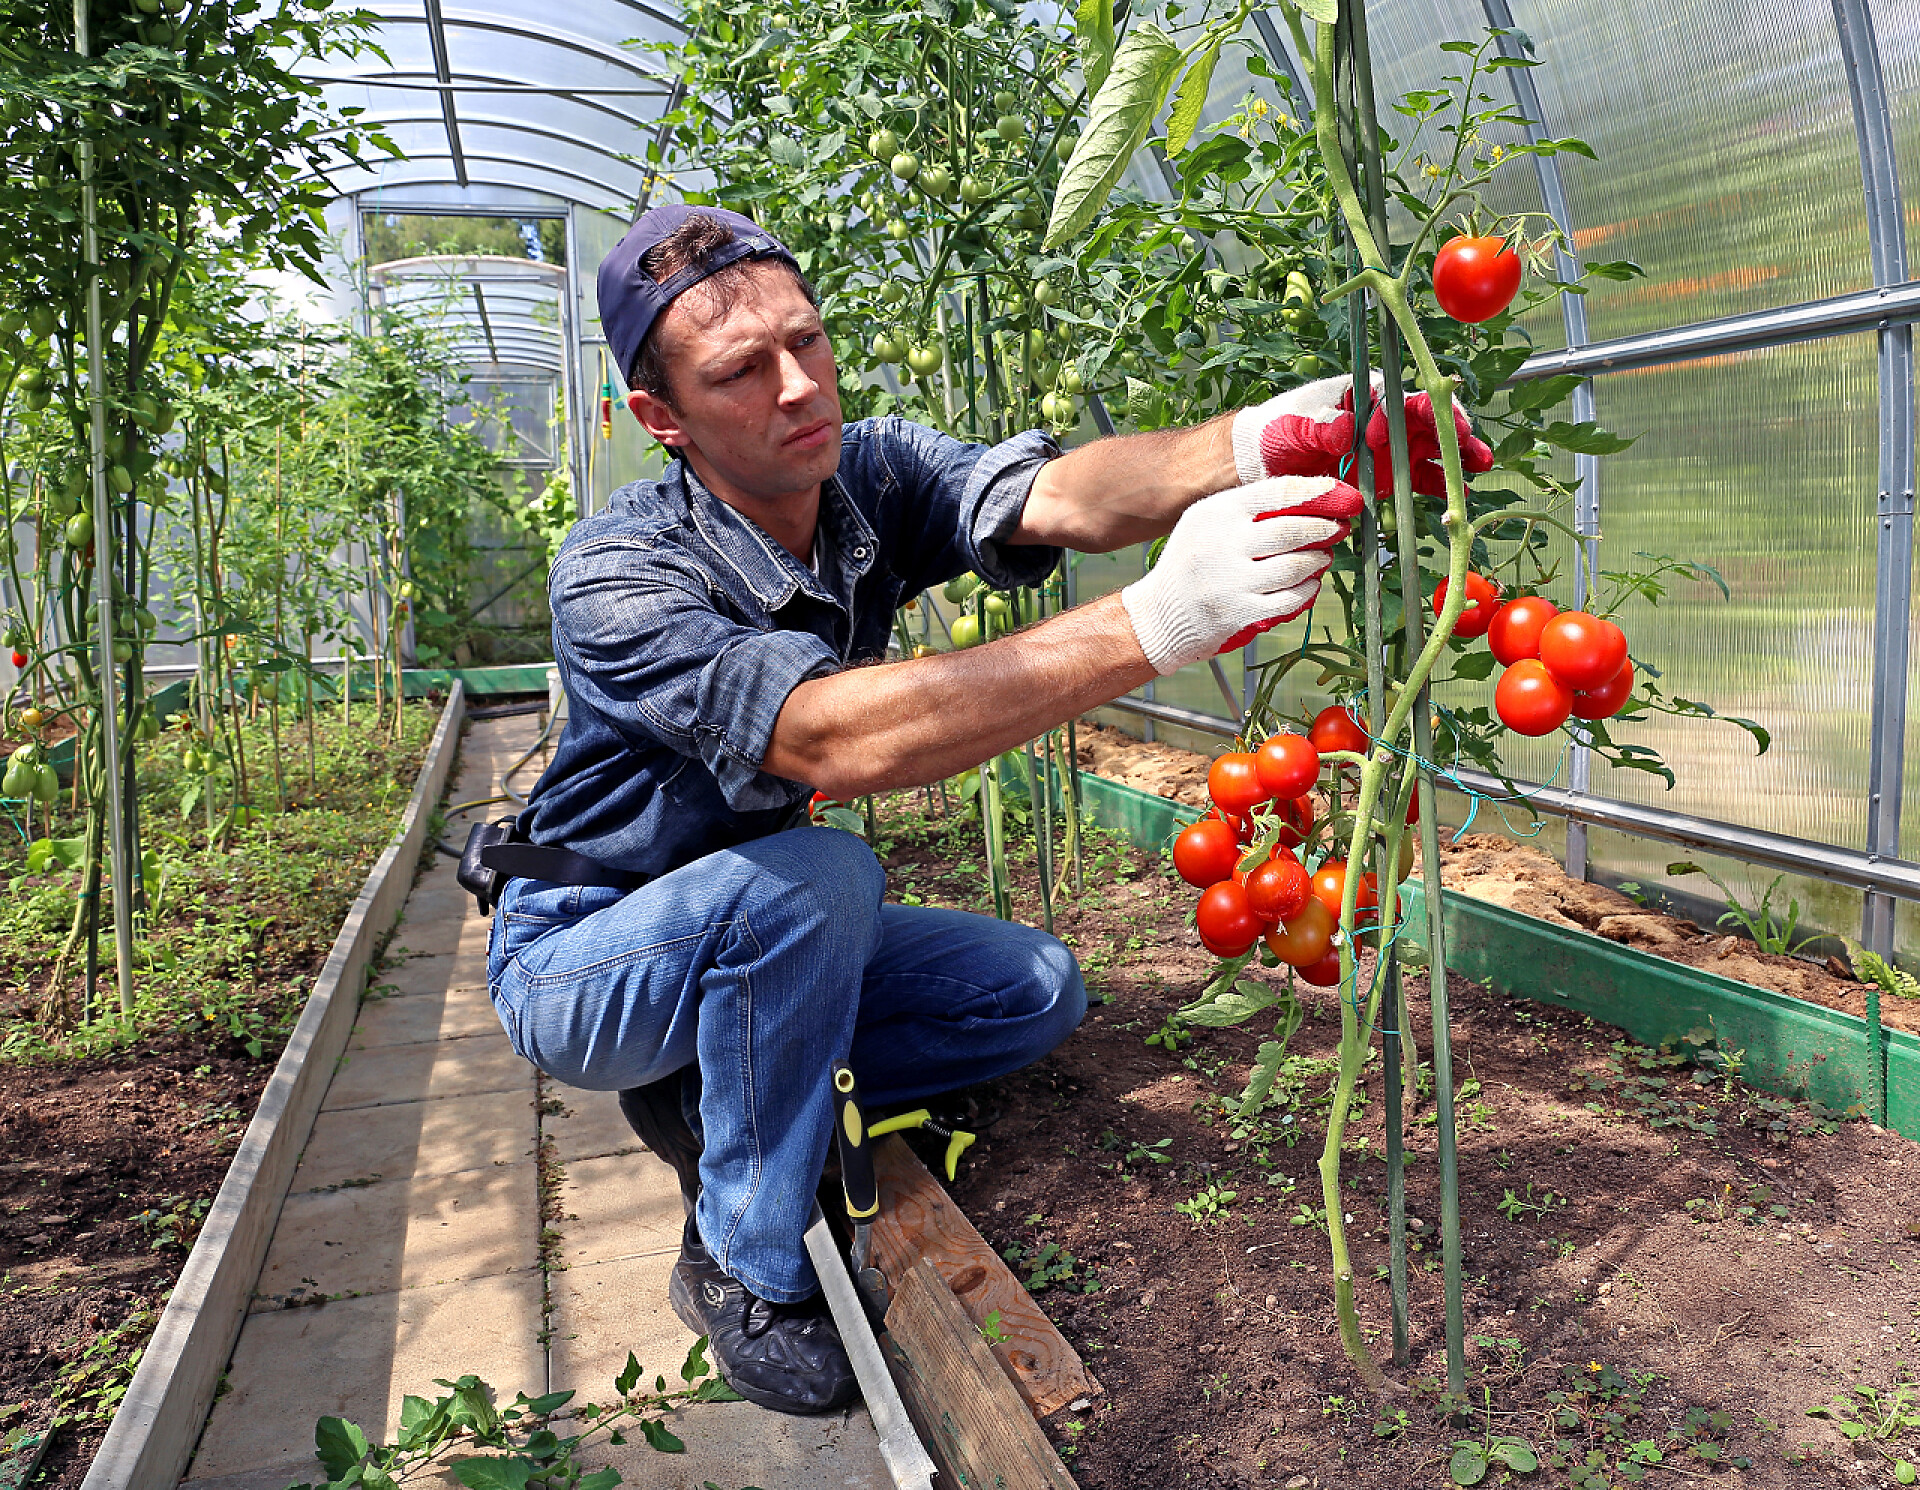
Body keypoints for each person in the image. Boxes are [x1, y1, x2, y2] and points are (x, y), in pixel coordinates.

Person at [483, 204, 1487, 1415]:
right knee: (824, 874)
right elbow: (823, 737)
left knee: (1031, 988)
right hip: (586, 949)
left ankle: (725, 1081)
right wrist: (1152, 624)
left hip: (756, 918)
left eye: (808, 341)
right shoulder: (618, 571)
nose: (800, 387)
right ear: (664, 419)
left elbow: (1058, 494)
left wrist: (1260, 439)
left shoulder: (863, 474)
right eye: (740, 371)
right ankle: (742, 1265)